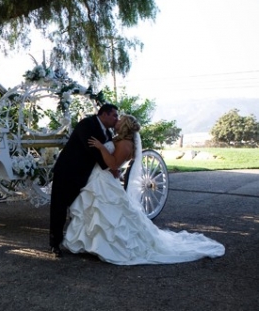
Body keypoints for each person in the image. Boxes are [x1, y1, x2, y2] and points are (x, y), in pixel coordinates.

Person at [62, 115, 225, 264]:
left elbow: (113, 164)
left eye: (120, 120)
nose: (117, 121)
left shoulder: (125, 144)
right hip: (99, 178)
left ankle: (103, 247)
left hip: (103, 181)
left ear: (125, 125)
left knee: (105, 214)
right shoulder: (119, 140)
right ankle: (92, 244)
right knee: (97, 212)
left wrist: (100, 147)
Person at [49, 103, 120, 257]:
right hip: (67, 172)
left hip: (86, 176)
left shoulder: (107, 134)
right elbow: (93, 151)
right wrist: (110, 167)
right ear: (105, 114)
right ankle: (55, 244)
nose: (116, 119)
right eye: (114, 115)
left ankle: (79, 242)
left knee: (80, 209)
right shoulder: (87, 125)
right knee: (59, 208)